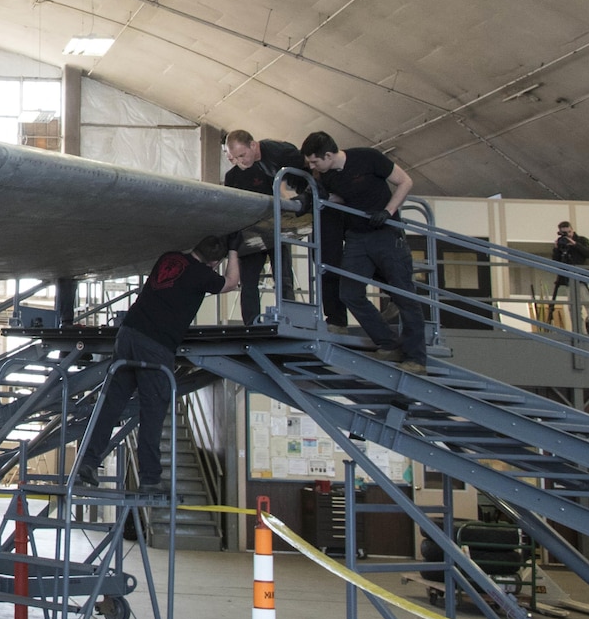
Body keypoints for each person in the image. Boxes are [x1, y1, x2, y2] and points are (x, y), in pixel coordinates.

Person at [77, 235, 241, 490]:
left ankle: (88, 462)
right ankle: (151, 479)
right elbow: (231, 283)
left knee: (112, 403)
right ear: (214, 263)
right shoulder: (203, 275)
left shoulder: (169, 257)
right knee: (153, 412)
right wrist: (233, 251)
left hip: (128, 335)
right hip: (155, 346)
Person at [300, 132, 427, 372]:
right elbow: (338, 198)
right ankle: (388, 343)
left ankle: (416, 359)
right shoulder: (328, 176)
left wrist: (388, 211)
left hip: (386, 234)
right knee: (349, 293)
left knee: (404, 296)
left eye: (315, 161)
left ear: (328, 155)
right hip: (357, 238)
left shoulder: (368, 158)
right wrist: (315, 199)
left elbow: (405, 181)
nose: (313, 166)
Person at [222, 130, 309, 324]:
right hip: (251, 235)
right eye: (235, 158)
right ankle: (251, 323)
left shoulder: (270, 163)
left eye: (242, 155)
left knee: (284, 278)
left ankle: (290, 320)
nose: (241, 161)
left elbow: (287, 186)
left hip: (276, 230)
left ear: (253, 147)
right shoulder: (232, 177)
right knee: (249, 281)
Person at [550, 220, 589, 334]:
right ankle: (579, 332)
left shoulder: (581, 240)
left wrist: (575, 244)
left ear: (573, 230)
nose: (567, 235)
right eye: (564, 233)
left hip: (583, 277)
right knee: (574, 308)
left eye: (569, 232)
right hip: (569, 279)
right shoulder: (561, 243)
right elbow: (556, 262)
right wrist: (557, 249)